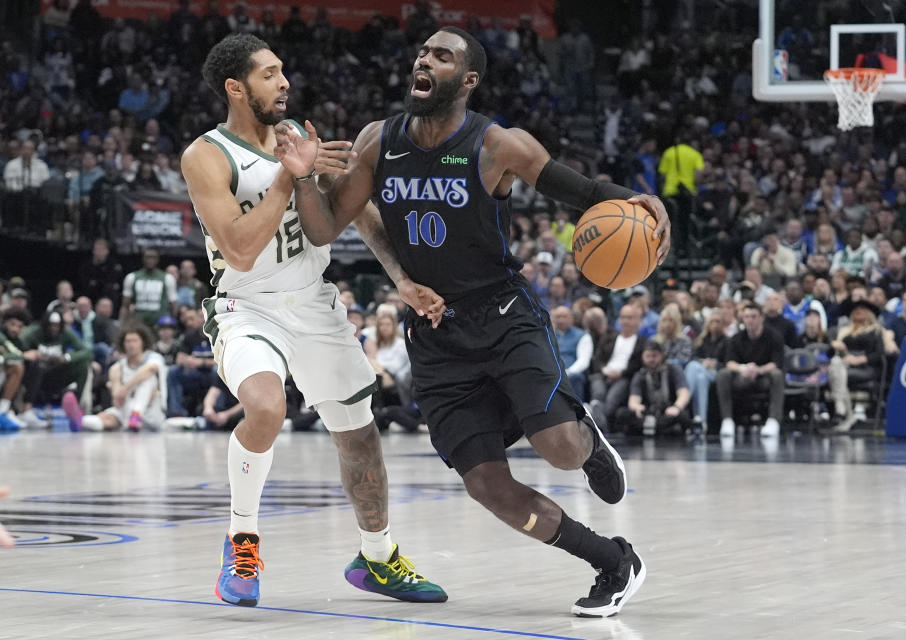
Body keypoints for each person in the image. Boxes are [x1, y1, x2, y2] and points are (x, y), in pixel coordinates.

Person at [274, 26, 671, 617]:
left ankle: (585, 439)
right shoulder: (378, 141)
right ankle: (613, 561)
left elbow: (580, 190)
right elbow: (327, 227)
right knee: (487, 486)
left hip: (504, 315)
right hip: (436, 339)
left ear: (469, 79)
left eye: (441, 55)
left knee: (559, 448)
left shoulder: (498, 145)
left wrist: (643, 200)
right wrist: (305, 176)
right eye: (422, 52)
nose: (423, 59)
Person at [180, 34, 447, 608]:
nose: (285, 83)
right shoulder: (206, 154)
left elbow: (359, 211)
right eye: (271, 74)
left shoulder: (296, 135)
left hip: (315, 303)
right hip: (246, 306)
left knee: (359, 436)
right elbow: (241, 250)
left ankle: (377, 557)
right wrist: (287, 176)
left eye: (283, 72)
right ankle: (241, 539)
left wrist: (400, 279)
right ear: (236, 88)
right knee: (267, 406)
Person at [62, 324, 166, 432]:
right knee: (106, 418)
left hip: (152, 412)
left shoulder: (153, 357)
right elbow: (117, 397)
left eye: (135, 341)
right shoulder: (118, 367)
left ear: (143, 342)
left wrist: (126, 388)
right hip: (127, 410)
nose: (131, 345)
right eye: (128, 341)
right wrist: (118, 395)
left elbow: (150, 370)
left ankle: (136, 414)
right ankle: (79, 420)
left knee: (148, 379)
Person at [716, 302, 785, 439]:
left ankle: (773, 421)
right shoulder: (736, 339)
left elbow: (776, 363)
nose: (750, 320)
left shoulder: (774, 336)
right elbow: (729, 362)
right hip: (742, 377)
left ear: (761, 318)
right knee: (723, 374)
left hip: (763, 377)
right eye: (746, 317)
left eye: (753, 316)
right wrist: (743, 368)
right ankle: (727, 420)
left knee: (777, 375)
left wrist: (758, 370)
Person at [828, 300, 885, 431]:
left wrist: (859, 360)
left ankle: (843, 411)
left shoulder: (875, 331)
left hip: (866, 368)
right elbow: (830, 353)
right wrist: (834, 346)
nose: (858, 311)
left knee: (837, 373)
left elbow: (879, 354)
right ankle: (845, 412)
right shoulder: (843, 331)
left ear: (869, 314)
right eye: (856, 309)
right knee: (836, 364)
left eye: (862, 309)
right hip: (844, 365)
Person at [621, 340, 690, 437]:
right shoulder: (640, 374)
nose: (651, 359)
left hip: (668, 411)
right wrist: (637, 407)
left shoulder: (674, 370)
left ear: (661, 356)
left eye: (654, 356)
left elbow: (684, 393)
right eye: (648, 356)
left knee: (683, 417)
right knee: (623, 414)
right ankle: (656, 428)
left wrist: (676, 407)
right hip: (648, 412)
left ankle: (658, 429)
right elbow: (633, 400)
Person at [684, 313, 728, 426]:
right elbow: (693, 357)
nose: (715, 325)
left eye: (718, 322)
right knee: (700, 378)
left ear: (723, 324)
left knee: (693, 366)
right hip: (701, 370)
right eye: (712, 321)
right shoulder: (701, 340)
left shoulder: (728, 341)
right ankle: (701, 420)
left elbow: (730, 362)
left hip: (717, 373)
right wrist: (703, 362)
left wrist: (715, 364)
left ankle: (684, 399)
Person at [121, 248, 178, 327]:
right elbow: (125, 305)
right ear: (143, 259)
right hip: (139, 322)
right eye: (148, 257)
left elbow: (173, 305)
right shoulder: (131, 277)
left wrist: (172, 324)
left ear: (158, 260)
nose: (150, 260)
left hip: (160, 324)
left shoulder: (168, 278)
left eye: (153, 257)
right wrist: (122, 324)